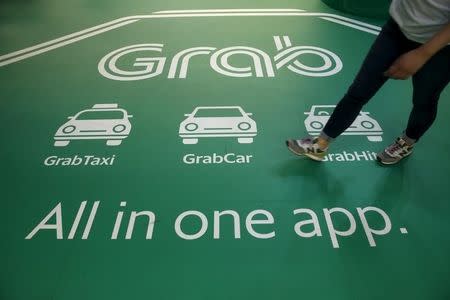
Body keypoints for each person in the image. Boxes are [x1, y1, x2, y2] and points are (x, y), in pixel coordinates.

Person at [286, 0, 450, 165]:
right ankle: (320, 144)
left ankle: (407, 142)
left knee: (424, 100)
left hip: (440, 49)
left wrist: (422, 54)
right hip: (397, 30)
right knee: (358, 91)